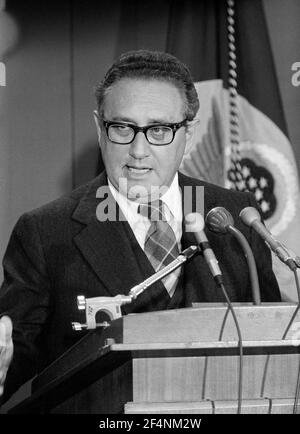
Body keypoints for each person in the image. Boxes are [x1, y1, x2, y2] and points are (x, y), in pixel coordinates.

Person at [0, 50, 281, 404]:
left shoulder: (236, 214)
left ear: (189, 133)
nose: (138, 150)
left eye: (159, 130)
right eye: (122, 128)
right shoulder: (45, 232)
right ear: (100, 129)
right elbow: (14, 349)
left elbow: (270, 334)